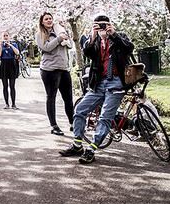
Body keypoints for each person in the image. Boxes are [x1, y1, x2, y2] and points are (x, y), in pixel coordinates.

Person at [60, 14, 134, 164]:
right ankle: (77, 145)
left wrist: (113, 35)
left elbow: (129, 49)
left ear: (110, 24)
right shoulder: (94, 40)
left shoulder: (120, 37)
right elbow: (88, 53)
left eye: (104, 24)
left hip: (116, 83)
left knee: (105, 117)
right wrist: (93, 36)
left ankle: (91, 149)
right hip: (98, 83)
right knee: (79, 110)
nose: (102, 28)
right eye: (98, 25)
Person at [36, 12, 75, 135]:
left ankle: (73, 123)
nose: (49, 20)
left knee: (68, 98)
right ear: (42, 21)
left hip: (63, 68)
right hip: (49, 70)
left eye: (50, 18)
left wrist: (66, 35)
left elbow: (70, 46)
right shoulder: (40, 34)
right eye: (46, 19)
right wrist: (59, 39)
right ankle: (54, 126)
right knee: (51, 97)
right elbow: (46, 48)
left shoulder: (60, 31)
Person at [0, 31, 20, 109]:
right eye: (4, 36)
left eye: (7, 35)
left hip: (12, 64)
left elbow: (17, 53)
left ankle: (13, 104)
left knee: (12, 86)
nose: (5, 37)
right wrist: (0, 46)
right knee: (5, 86)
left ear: (9, 36)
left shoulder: (14, 44)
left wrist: (10, 45)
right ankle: (6, 103)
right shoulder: (0, 45)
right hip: (4, 64)